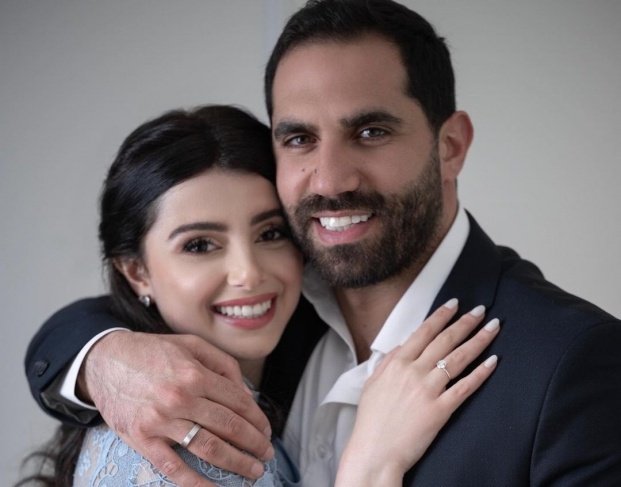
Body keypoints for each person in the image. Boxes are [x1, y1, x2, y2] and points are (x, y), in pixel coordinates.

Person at [25, 0, 621, 485]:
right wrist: (102, 359)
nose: (331, 181)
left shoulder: (570, 363)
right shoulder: (277, 315)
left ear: (450, 146)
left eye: (371, 131)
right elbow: (99, 322)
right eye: (300, 139)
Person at [20, 104, 498, 486]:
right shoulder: (168, 451)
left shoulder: (313, 322)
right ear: (136, 272)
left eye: (271, 233)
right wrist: (370, 467)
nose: (248, 274)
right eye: (200, 245)